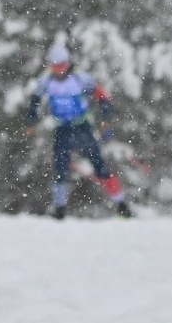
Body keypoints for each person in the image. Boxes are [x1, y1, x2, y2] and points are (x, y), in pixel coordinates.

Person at [31, 40, 131, 219]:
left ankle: (122, 206)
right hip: (62, 129)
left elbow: (102, 97)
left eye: (62, 66)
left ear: (68, 63)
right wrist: (31, 122)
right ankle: (59, 211)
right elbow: (34, 101)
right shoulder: (46, 81)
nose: (59, 70)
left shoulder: (80, 78)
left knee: (100, 167)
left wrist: (106, 121)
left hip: (82, 127)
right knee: (60, 170)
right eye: (54, 66)